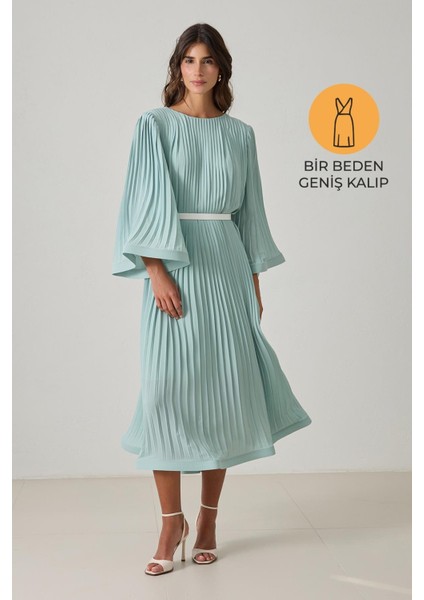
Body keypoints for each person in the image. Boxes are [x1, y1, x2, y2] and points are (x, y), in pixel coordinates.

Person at [112, 22, 312, 576]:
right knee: (165, 394)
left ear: (221, 69)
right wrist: (156, 271)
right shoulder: (153, 125)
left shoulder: (241, 134)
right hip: (174, 265)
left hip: (226, 268)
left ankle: (207, 520)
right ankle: (169, 522)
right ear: (177, 67)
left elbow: (251, 215)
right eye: (189, 60)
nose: (197, 70)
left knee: (222, 394)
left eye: (207, 60)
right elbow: (142, 203)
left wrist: (254, 286)